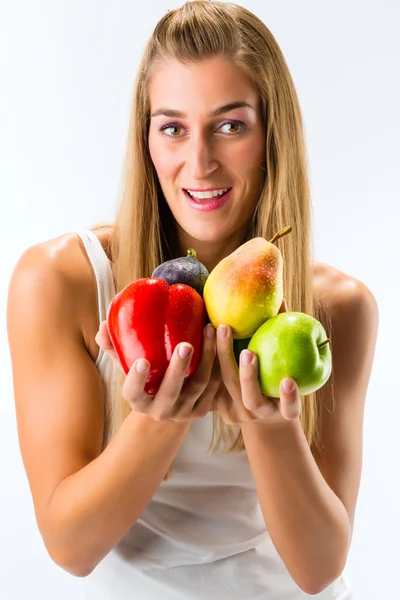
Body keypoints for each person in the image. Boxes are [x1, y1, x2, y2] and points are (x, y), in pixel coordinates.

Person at [6, 2, 379, 599]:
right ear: (146, 137)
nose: (199, 161)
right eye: (173, 126)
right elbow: (70, 547)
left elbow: (319, 568)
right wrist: (156, 422)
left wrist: (269, 428)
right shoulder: (64, 280)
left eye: (231, 125)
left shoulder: (338, 305)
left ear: (271, 135)